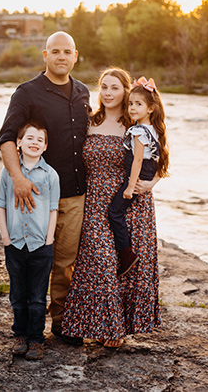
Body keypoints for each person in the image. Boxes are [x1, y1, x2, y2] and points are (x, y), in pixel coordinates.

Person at [0, 31, 91, 345]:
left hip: (76, 193)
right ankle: (25, 327)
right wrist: (18, 180)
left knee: (65, 262)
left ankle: (62, 323)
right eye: (56, 51)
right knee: (30, 260)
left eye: (68, 51)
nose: (62, 56)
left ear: (76, 56)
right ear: (45, 55)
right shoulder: (27, 93)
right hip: (35, 195)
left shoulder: (83, 92)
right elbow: (7, 138)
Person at [61, 67, 164, 348]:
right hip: (94, 200)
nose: (108, 93)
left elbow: (161, 156)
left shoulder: (137, 125)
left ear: (126, 91)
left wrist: (152, 181)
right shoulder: (88, 122)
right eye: (104, 87)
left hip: (130, 202)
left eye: (115, 88)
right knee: (100, 262)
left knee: (125, 267)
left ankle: (116, 328)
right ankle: (91, 324)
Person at [0, 121, 60, 360]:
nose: (34, 143)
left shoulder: (50, 175)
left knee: (38, 296)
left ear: (45, 147)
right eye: (29, 138)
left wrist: (49, 239)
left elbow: (54, 209)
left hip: (41, 245)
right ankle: (20, 336)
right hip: (15, 244)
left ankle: (36, 340)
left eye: (40, 140)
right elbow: (0, 204)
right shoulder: (9, 172)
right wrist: (5, 236)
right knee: (17, 295)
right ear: (18, 143)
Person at [108, 77, 170, 276]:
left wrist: (129, 186)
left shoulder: (138, 131)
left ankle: (126, 254)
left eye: (138, 104)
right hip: (146, 175)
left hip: (136, 176)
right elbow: (161, 160)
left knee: (114, 212)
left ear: (150, 108)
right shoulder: (155, 130)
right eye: (130, 104)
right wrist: (152, 182)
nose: (132, 108)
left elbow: (136, 161)